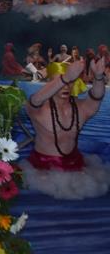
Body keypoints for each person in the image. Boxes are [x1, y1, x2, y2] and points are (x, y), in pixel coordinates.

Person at [22, 59, 109, 199]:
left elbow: (96, 97)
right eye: (60, 83)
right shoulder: (38, 109)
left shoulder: (81, 108)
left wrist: (98, 77)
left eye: (70, 82)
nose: (65, 87)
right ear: (50, 83)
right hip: (43, 168)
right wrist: (66, 77)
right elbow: (35, 100)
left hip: (75, 165)